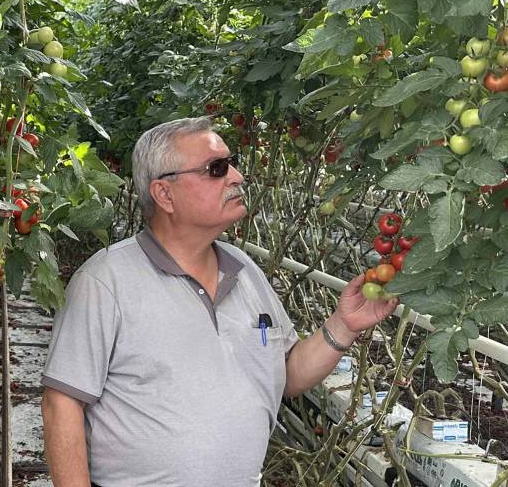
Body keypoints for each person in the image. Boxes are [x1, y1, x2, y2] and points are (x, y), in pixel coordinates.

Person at [40, 117, 395, 486]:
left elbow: (285, 374)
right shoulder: (106, 281)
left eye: (232, 162)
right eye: (217, 168)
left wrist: (344, 325)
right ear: (164, 194)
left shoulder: (245, 271)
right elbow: (62, 403)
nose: (238, 176)